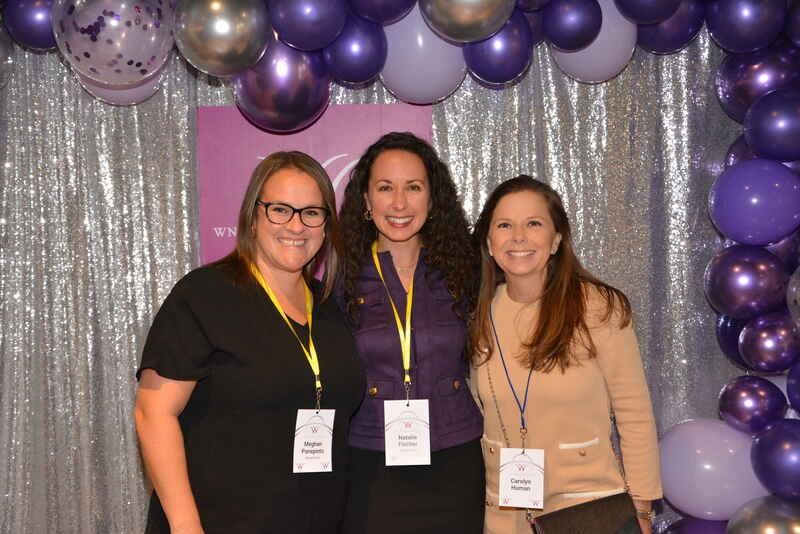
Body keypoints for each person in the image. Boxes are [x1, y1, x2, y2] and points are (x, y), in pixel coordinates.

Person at [134, 152, 365, 534]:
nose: (296, 225)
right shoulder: (205, 295)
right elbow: (152, 413)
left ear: (326, 225)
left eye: (311, 212)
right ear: (253, 218)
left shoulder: (329, 307)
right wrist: (185, 525)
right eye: (280, 209)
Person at [469, 175, 662, 534]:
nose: (519, 237)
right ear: (489, 241)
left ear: (557, 239)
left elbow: (634, 415)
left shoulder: (599, 308)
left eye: (534, 224)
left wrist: (642, 509)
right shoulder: (479, 313)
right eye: (505, 225)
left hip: (588, 511)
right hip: (506, 513)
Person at [337, 132, 484, 534]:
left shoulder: (465, 273)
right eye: (385, 188)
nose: (399, 203)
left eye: (413, 187)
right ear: (366, 201)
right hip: (370, 467)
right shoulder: (340, 280)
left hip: (456, 462)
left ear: (432, 198)